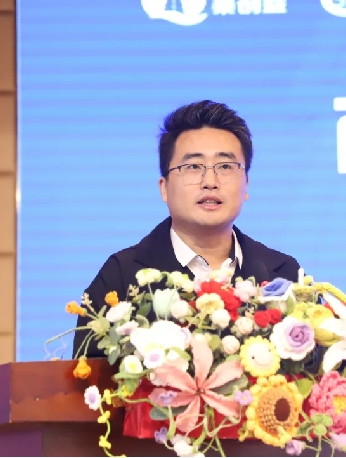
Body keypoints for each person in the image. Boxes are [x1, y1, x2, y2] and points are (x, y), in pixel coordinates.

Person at [72, 100, 302, 358]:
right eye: (193, 167)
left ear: (245, 184)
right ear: (164, 188)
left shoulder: (282, 273)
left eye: (225, 166)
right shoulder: (122, 277)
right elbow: (87, 375)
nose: (210, 182)